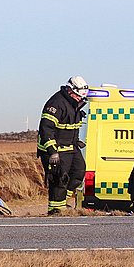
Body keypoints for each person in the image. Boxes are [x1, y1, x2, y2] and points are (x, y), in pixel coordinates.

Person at [37, 76, 89, 215]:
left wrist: (76, 140)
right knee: (60, 179)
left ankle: (63, 201)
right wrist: (52, 151)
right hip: (56, 149)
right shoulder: (56, 103)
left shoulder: (75, 103)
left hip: (71, 147)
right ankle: (56, 211)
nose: (80, 99)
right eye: (78, 96)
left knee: (79, 172)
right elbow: (46, 129)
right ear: (71, 90)